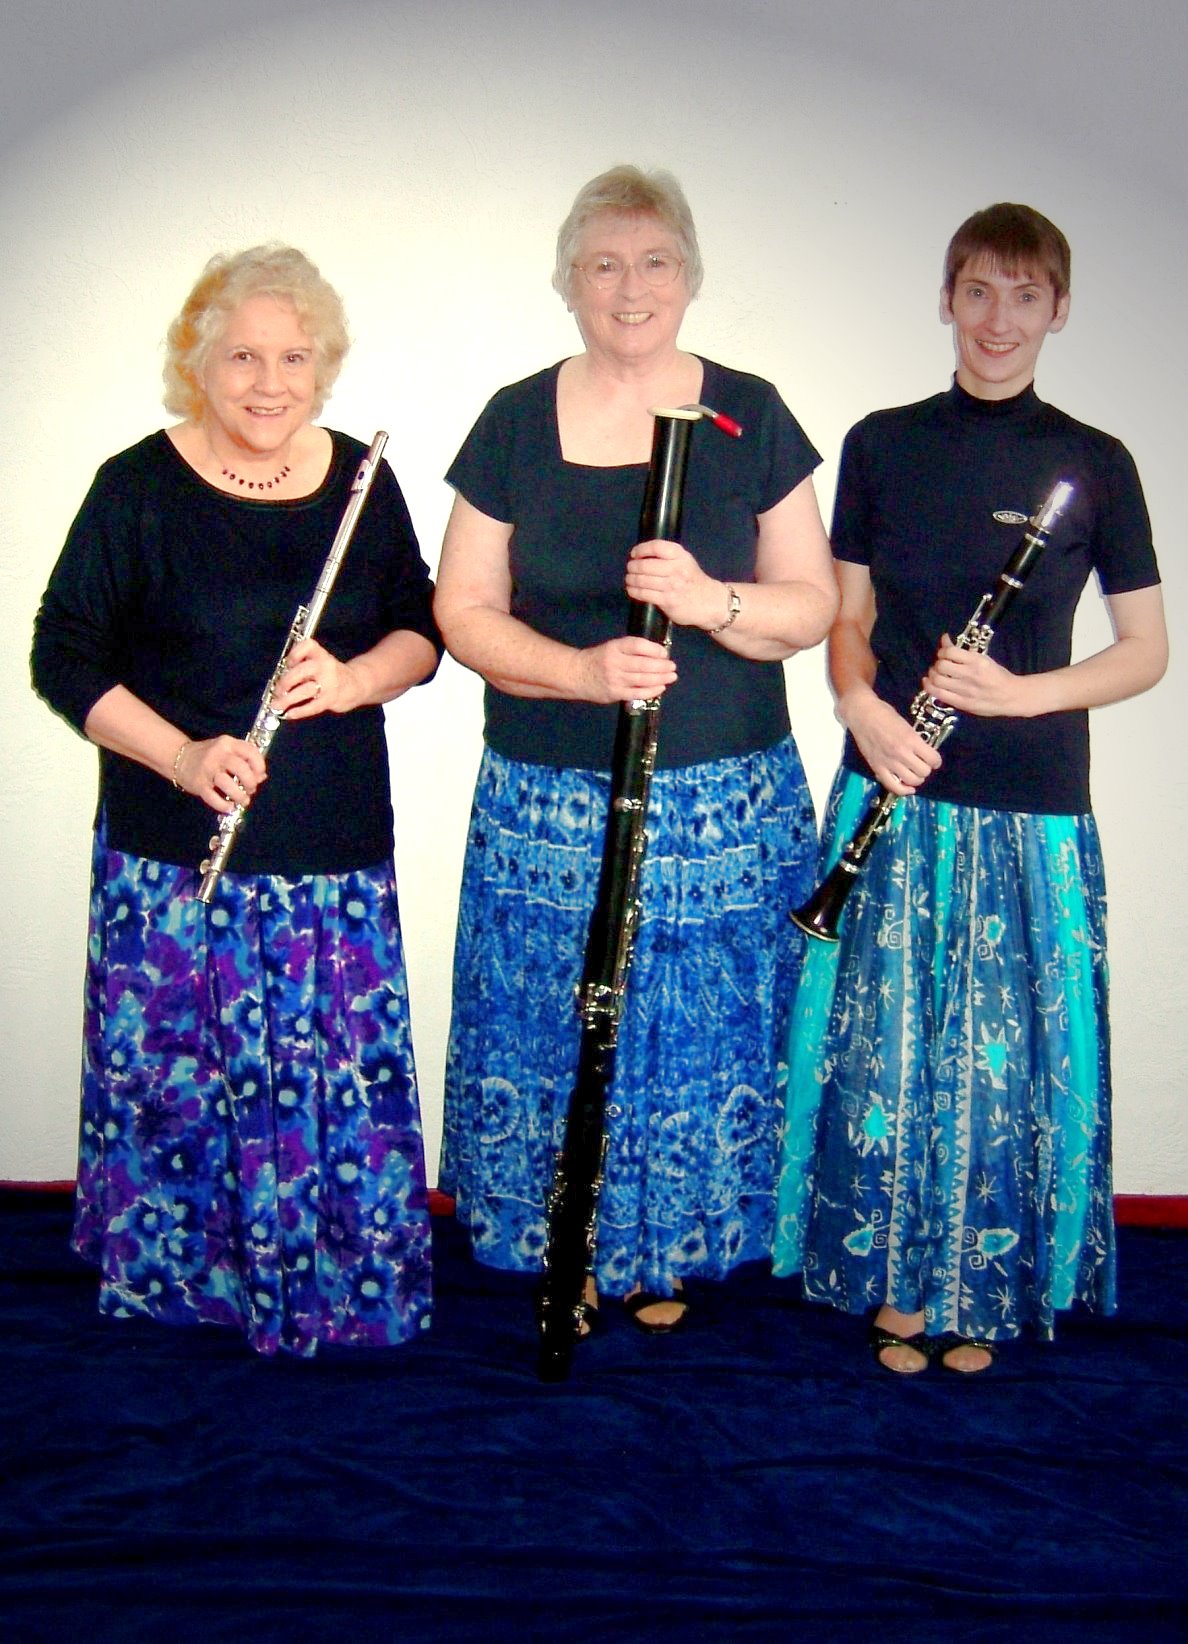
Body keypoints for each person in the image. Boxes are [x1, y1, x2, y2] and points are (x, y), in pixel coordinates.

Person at [434, 165, 838, 1333]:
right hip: (549, 802)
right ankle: (571, 1241)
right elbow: (464, 613)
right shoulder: (516, 417)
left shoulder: (751, 414)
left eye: (655, 261)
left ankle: (672, 1247)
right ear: (568, 282)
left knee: (697, 1036)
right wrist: (582, 672)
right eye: (603, 263)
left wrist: (713, 602)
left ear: (691, 277)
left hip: (725, 799)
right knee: (557, 1023)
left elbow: (809, 607)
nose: (630, 286)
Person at [773, 204, 1167, 1373]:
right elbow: (849, 620)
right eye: (978, 293)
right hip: (893, 781)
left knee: (1006, 1059)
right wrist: (861, 708)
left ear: (1058, 309)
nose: (1000, 320)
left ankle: (981, 1283)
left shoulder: (1096, 462)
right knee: (887, 1051)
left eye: (1026, 295)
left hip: (1031, 800)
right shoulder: (882, 442)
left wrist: (1020, 696)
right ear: (947, 299)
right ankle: (896, 1280)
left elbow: (1145, 651)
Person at [31, 245, 441, 1357]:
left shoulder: (364, 476)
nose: (269, 381)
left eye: (294, 356)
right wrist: (179, 755)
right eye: (243, 356)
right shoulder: (137, 486)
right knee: (184, 1081)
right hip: (176, 855)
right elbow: (62, 656)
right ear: (198, 366)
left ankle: (334, 1278)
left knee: (328, 1087)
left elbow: (424, 628)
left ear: (324, 365)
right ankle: (189, 1287)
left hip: (332, 854)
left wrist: (358, 677)